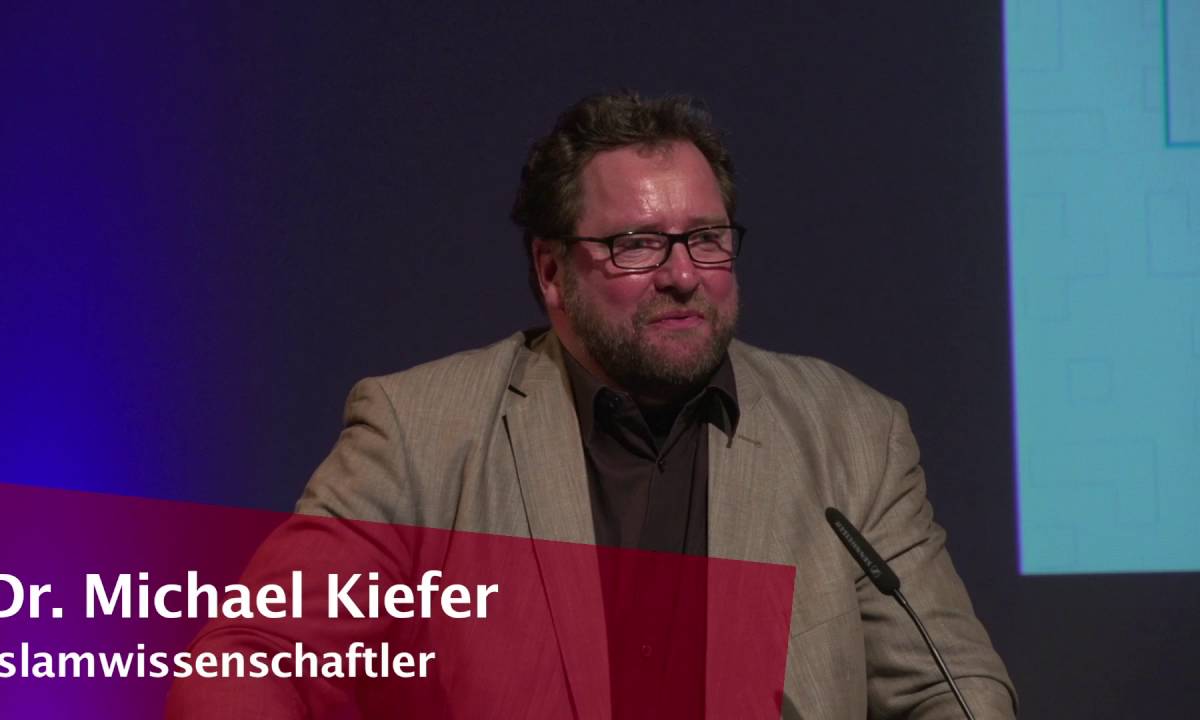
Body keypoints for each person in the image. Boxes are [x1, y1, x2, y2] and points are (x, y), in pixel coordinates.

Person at [170, 92, 1017, 719]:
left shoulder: (852, 436)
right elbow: (248, 662)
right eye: (637, 244)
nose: (683, 273)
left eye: (707, 239)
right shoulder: (423, 435)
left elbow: (954, 691)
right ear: (550, 272)